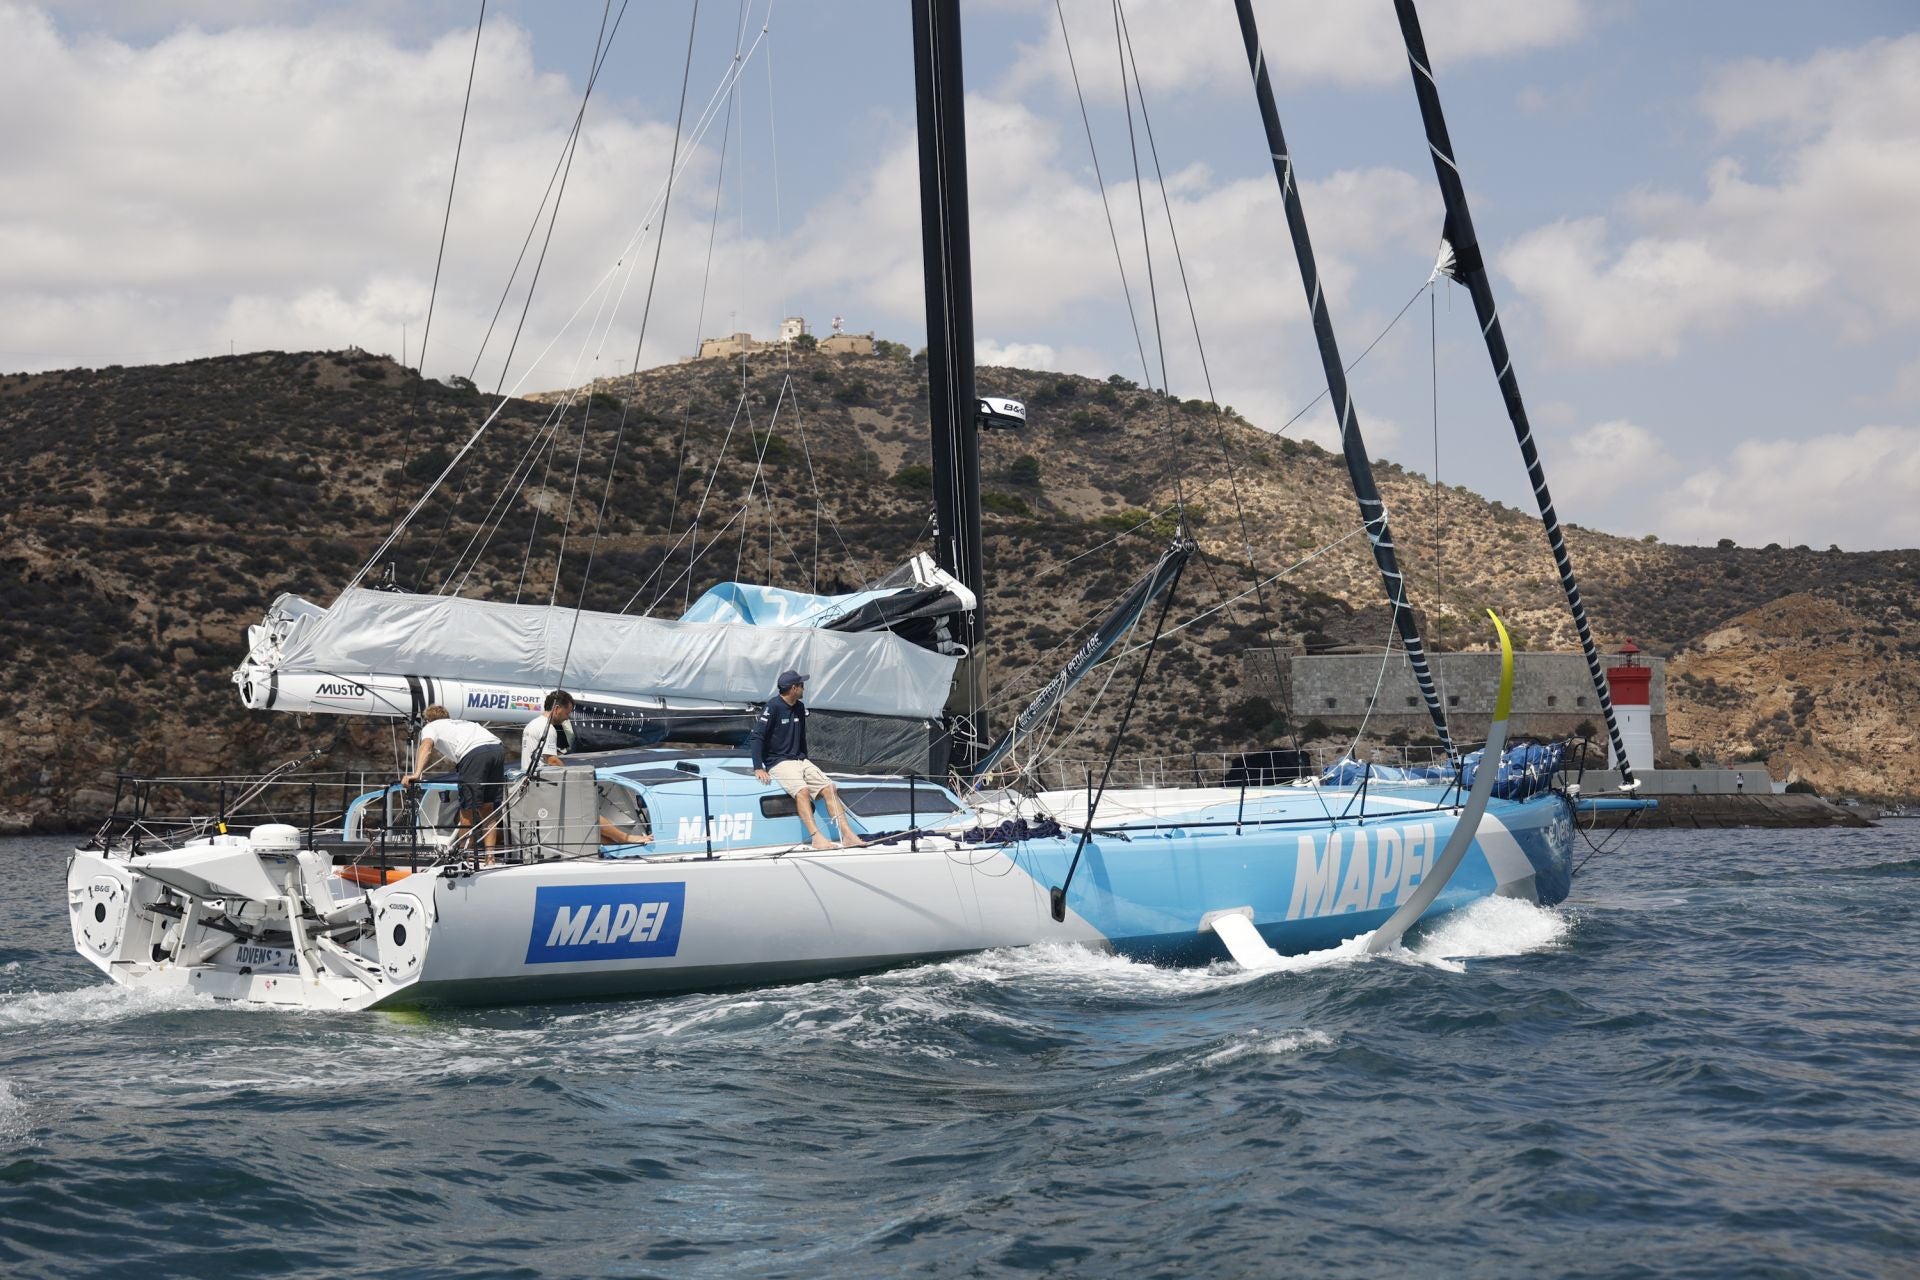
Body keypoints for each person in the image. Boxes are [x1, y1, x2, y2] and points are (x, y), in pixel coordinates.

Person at [751, 669, 865, 850]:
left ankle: (848, 835)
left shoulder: (799, 707)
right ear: (793, 688)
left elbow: (801, 737)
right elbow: (757, 737)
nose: (804, 688)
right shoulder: (772, 707)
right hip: (779, 762)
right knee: (803, 792)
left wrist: (805, 761)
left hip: (800, 760)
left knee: (830, 787)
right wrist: (758, 767)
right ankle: (816, 838)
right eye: (802, 685)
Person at [520, 690, 651, 847]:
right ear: (557, 709)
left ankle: (611, 844)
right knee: (587, 811)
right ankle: (625, 838)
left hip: (534, 784)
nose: (567, 717)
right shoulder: (548, 729)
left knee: (576, 819)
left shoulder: (532, 724)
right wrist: (575, 776)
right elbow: (552, 760)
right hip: (546, 784)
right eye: (567, 712)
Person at [402, 706, 504, 851]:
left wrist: (417, 773)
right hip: (497, 748)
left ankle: (465, 856)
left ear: (427, 720)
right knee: (487, 808)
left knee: (467, 810)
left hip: (474, 752)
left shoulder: (431, 726)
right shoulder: (463, 723)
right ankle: (490, 858)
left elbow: (426, 745)